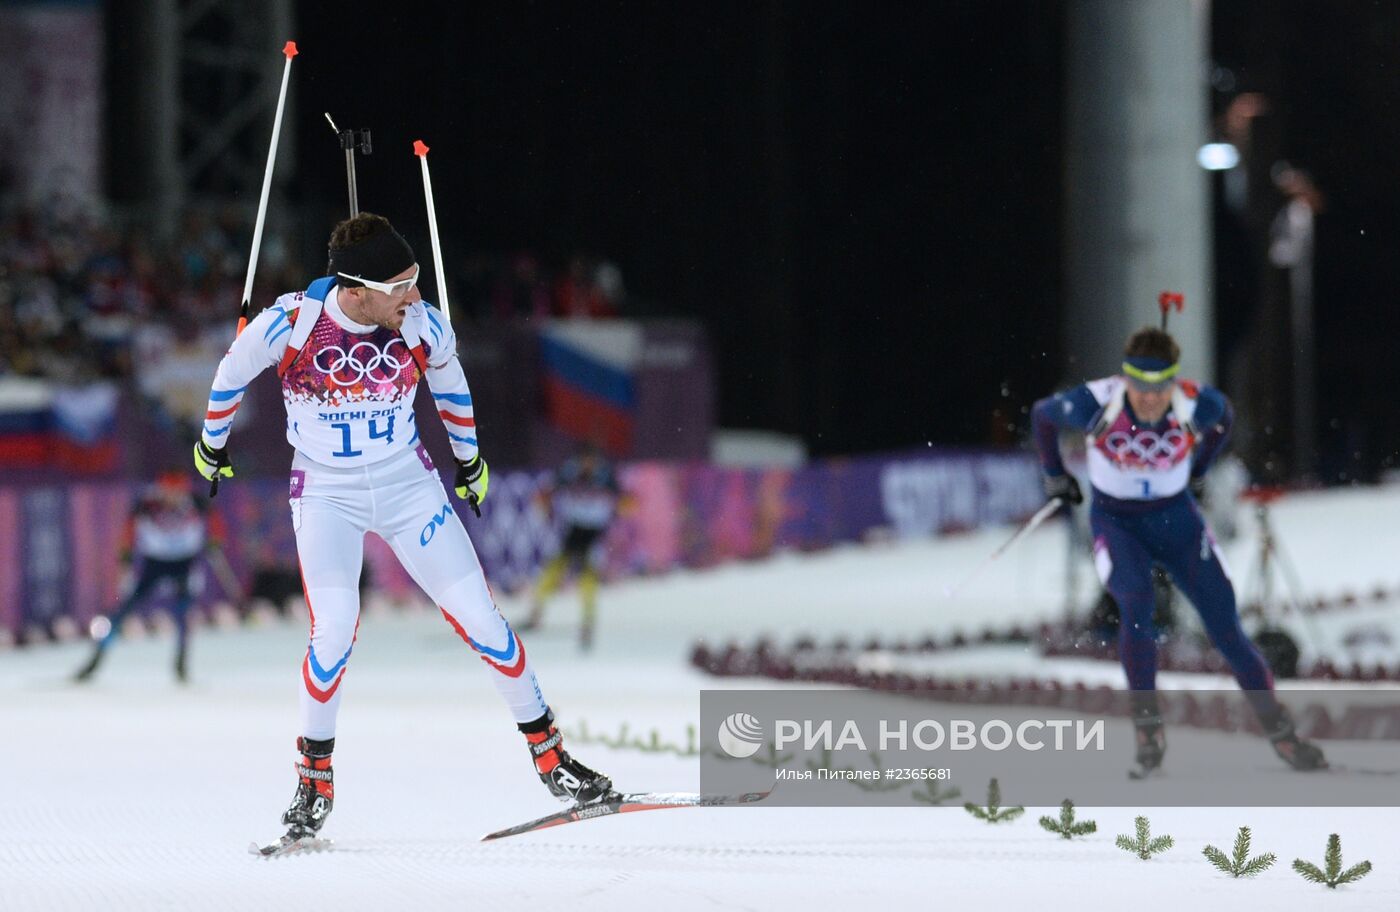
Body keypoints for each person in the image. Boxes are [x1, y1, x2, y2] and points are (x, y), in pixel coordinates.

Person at [192, 213, 611, 846]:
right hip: (327, 492)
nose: (414, 295)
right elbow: (229, 376)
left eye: (416, 280)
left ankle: (552, 759)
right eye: (401, 286)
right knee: (333, 630)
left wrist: (469, 459)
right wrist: (210, 445)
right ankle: (313, 782)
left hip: (407, 487)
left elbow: (452, 389)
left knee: (484, 620)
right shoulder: (292, 324)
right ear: (356, 289)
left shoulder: (419, 324)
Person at [1030, 323, 1325, 773]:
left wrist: (1200, 467)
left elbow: (1224, 416)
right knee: (1136, 602)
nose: (1148, 398)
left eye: (1159, 386)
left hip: (1177, 522)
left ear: (1173, 381)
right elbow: (1043, 415)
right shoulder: (1099, 400)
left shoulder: (1195, 402)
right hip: (1118, 523)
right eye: (1139, 385)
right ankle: (1149, 731)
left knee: (1227, 629)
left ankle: (1281, 735)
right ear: (1125, 378)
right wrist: (1054, 475)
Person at [74, 471, 219, 683]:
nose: (174, 496)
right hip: (155, 564)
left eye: (178, 491)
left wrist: (215, 542)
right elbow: (129, 529)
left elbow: (215, 521)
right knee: (124, 610)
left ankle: (181, 664)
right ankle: (96, 658)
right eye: (170, 491)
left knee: (183, 614)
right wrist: (125, 555)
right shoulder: (148, 503)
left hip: (184, 563)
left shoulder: (195, 502)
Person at [519, 443, 621, 649]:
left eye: (591, 461)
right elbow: (549, 491)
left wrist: (616, 515)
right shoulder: (570, 471)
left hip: (593, 532)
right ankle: (536, 612)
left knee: (588, 577)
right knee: (554, 569)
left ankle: (588, 621)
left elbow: (621, 498)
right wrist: (544, 503)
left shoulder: (604, 475)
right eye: (585, 461)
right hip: (574, 529)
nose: (588, 465)